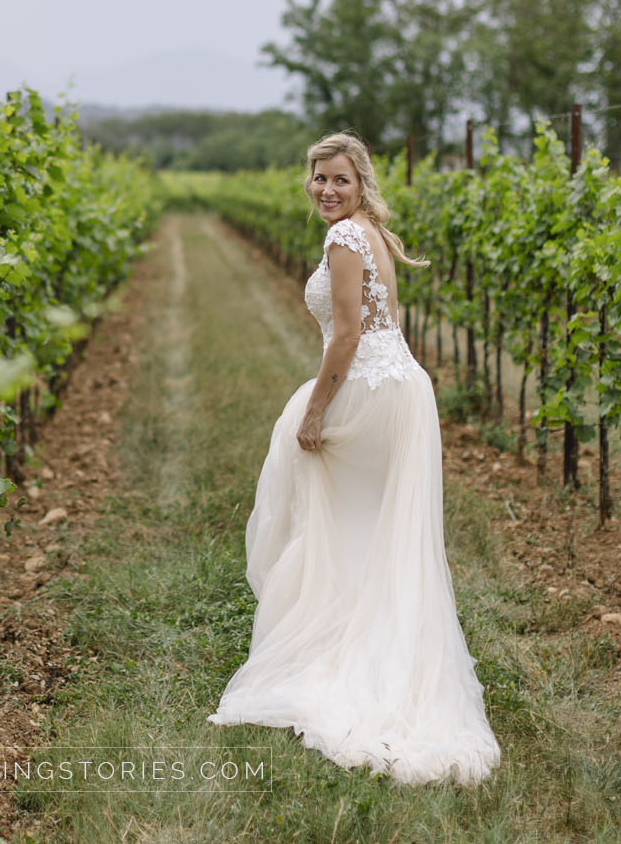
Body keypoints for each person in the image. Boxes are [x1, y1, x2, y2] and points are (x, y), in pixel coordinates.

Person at [207, 132, 501, 784]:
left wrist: (315, 411)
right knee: (369, 529)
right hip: (398, 386)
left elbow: (346, 335)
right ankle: (371, 646)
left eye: (339, 179)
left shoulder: (345, 239)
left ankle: (339, 655)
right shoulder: (369, 231)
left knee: (336, 522)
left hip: (367, 391)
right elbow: (383, 321)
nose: (326, 190)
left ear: (360, 182)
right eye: (318, 178)